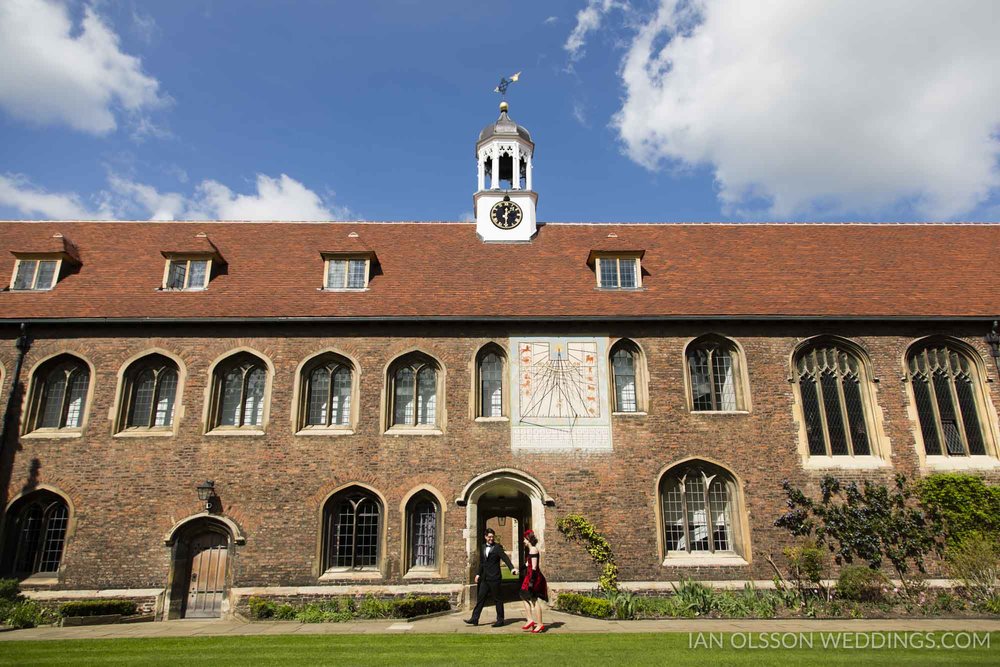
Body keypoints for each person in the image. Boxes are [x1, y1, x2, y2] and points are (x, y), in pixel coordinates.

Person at [464, 527, 516, 627]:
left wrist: (512, 568)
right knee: (481, 599)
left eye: (492, 537)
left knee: (497, 599)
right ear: (485, 537)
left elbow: (505, 558)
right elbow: (482, 563)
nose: (491, 539)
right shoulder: (483, 547)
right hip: (485, 578)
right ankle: (475, 619)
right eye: (489, 537)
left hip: (495, 578)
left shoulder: (497, 548)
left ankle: (500, 620)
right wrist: (478, 574)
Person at [519, 529, 548, 633]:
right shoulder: (531, 550)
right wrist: (519, 570)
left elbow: (534, 567)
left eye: (524, 539)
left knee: (534, 599)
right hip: (529, 576)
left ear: (528, 539)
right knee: (523, 595)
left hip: (533, 577)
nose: (523, 541)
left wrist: (531, 582)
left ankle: (539, 624)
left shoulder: (533, 550)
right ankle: (530, 620)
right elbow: (528, 564)